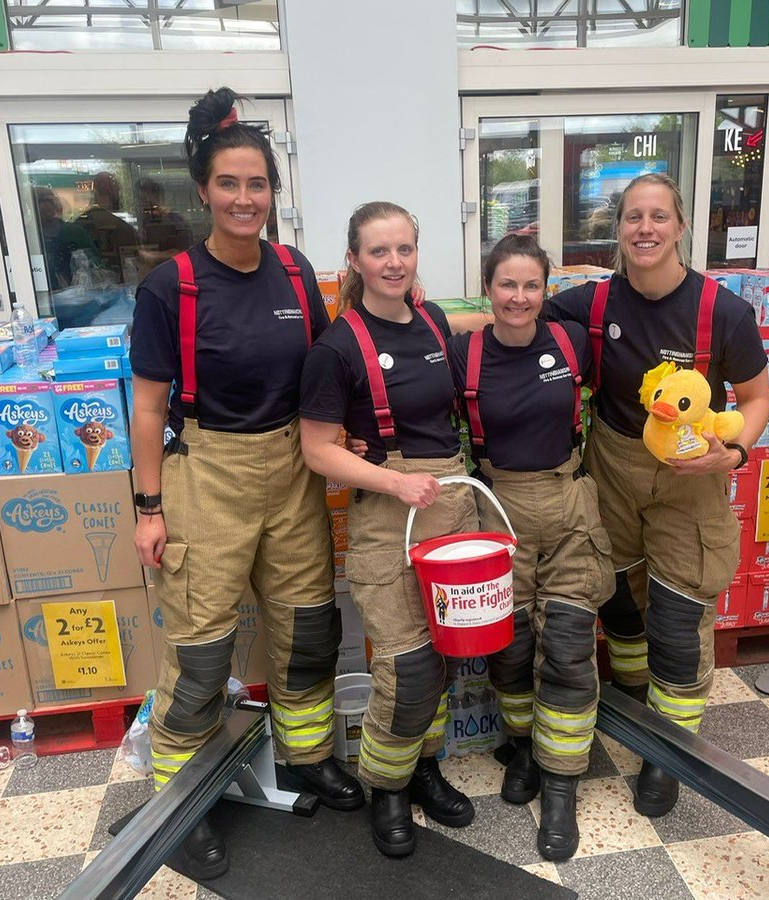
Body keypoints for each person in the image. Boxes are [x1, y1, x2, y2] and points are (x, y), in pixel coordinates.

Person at [129, 87, 363, 879]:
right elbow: (148, 406)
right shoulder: (171, 288)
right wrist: (149, 507)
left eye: (256, 184)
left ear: (273, 192)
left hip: (293, 471)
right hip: (209, 475)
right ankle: (179, 801)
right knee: (201, 652)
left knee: (307, 629)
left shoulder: (296, 273)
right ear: (203, 190)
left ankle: (307, 758)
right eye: (228, 184)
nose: (243, 198)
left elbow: (330, 366)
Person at [547, 173, 769, 818]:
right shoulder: (591, 304)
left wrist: (734, 453)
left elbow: (756, 399)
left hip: (688, 483)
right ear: (618, 229)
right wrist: (416, 313)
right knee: (616, 600)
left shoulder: (722, 312)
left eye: (658, 217)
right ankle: (641, 701)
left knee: (676, 620)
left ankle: (669, 753)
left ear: (680, 227)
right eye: (632, 217)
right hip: (612, 468)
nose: (645, 229)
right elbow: (514, 313)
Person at [300, 201, 478, 859]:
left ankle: (423, 766)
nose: (394, 262)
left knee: (442, 654)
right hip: (387, 511)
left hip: (453, 501)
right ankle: (387, 789)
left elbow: (486, 323)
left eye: (404, 249)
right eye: (379, 251)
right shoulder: (338, 346)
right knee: (404, 663)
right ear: (354, 260)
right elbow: (317, 449)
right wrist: (394, 482)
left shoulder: (431, 319)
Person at [448, 233, 615, 861]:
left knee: (570, 651)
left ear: (547, 290)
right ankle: (521, 746)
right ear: (488, 289)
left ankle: (562, 785)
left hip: (569, 504)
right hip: (497, 513)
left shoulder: (572, 343)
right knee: (511, 653)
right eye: (506, 285)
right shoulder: (461, 354)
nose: (519, 297)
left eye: (531, 285)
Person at [33, 187, 103, 290]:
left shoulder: (74, 232)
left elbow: (98, 265)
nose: (45, 206)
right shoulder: (26, 237)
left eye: (49, 201)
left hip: (80, 293)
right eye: (40, 201)